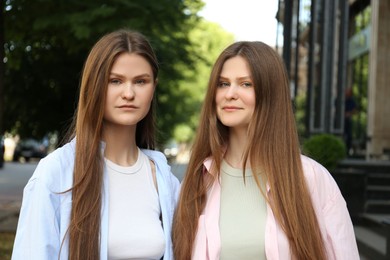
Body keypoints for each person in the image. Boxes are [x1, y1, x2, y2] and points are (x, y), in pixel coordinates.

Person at [172, 41, 359, 259]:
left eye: (245, 84)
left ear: (270, 94)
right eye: (223, 84)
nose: (230, 94)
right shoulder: (197, 182)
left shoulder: (311, 178)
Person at [12, 29, 180, 260]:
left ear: (153, 87)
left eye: (141, 81)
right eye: (115, 81)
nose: (128, 93)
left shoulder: (164, 179)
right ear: (94, 86)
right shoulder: (56, 173)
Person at [344, 87, 357, 156]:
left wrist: (349, 114)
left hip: (347, 121)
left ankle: (347, 151)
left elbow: (354, 110)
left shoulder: (351, 101)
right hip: (340, 122)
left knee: (349, 136)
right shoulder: (341, 99)